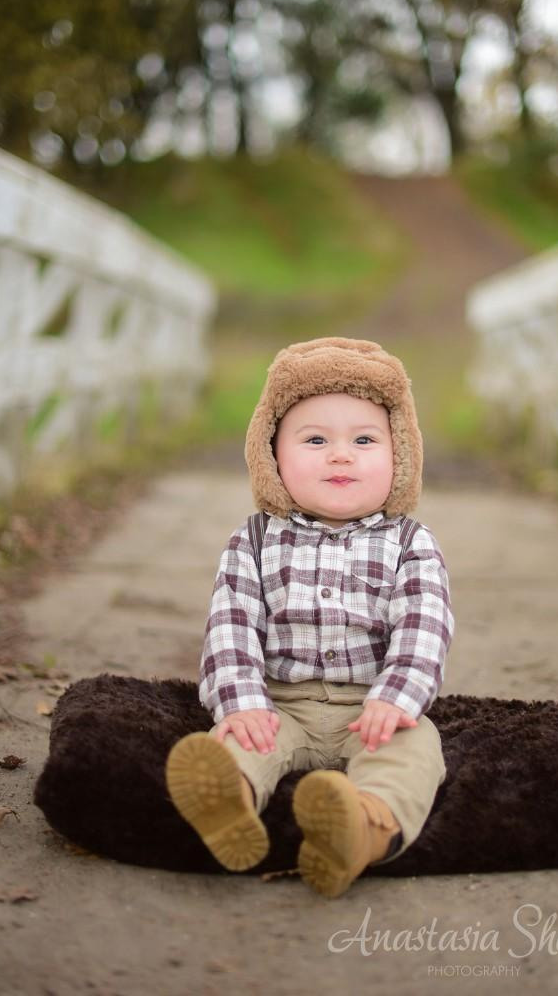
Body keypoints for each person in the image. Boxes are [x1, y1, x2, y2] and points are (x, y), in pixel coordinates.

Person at [166, 337, 454, 897]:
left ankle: (361, 828)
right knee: (241, 742)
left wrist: (397, 698)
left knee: (416, 753)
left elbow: (425, 626)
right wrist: (241, 701)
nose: (340, 454)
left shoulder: (410, 543)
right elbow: (230, 626)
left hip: (372, 710)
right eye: (316, 440)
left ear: (400, 456)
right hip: (279, 704)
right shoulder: (252, 539)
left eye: (364, 440)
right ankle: (229, 803)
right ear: (271, 456)